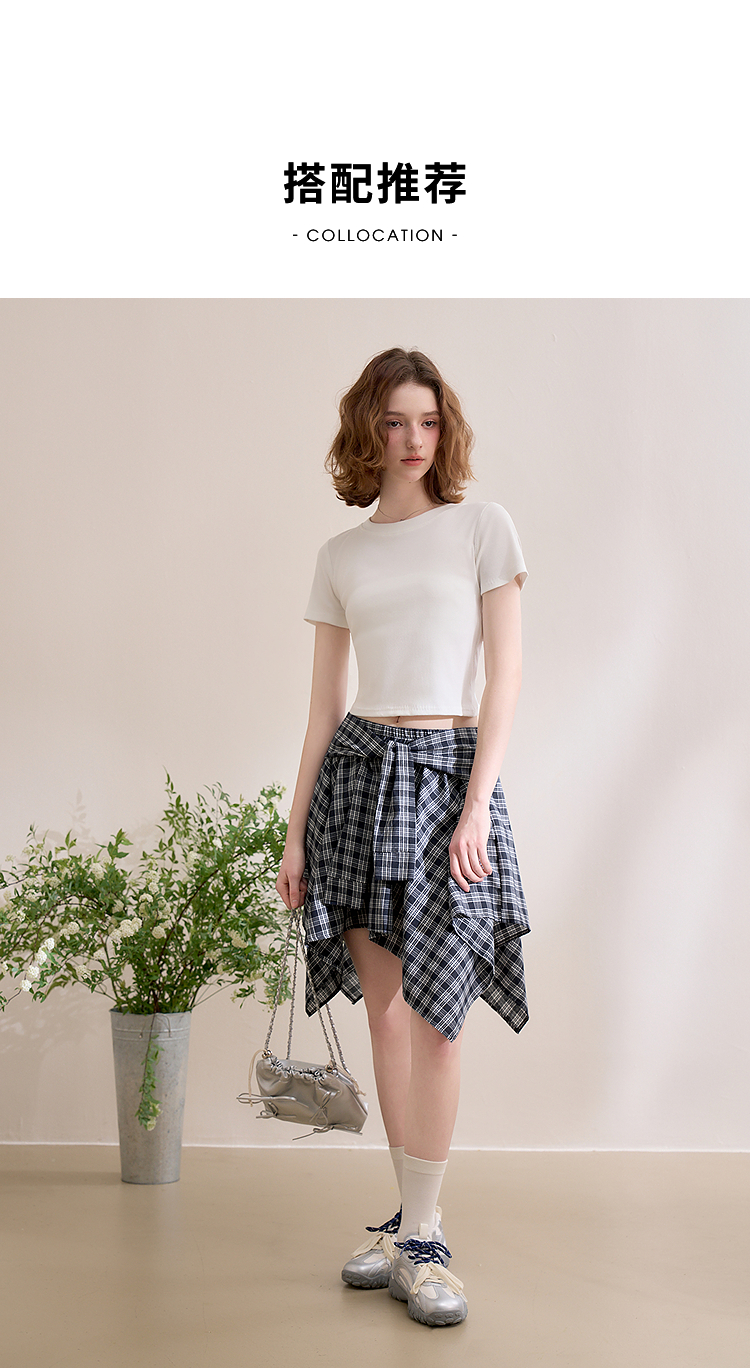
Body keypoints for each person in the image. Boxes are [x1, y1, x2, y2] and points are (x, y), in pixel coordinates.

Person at [276, 347, 530, 1328]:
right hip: (358, 780)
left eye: (427, 421)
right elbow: (322, 707)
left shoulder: (483, 527)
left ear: (444, 429)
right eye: (394, 422)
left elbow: (505, 677)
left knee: (439, 1020)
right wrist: (295, 834)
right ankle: (410, 1225)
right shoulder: (341, 555)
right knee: (385, 1017)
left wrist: (477, 804)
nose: (412, 439)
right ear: (367, 432)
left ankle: (424, 1237)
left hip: (449, 775)